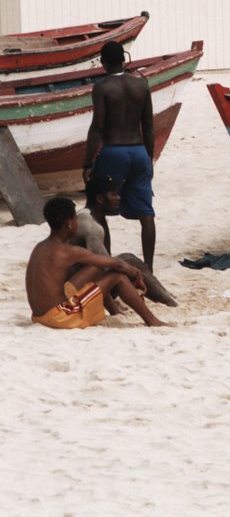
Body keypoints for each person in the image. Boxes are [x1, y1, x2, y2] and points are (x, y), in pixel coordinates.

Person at [26, 196, 167, 328]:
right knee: (118, 276)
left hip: (39, 317)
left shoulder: (39, 247)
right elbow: (119, 265)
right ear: (69, 224)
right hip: (60, 317)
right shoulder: (67, 251)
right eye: (75, 218)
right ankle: (152, 321)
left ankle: (115, 312)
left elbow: (102, 264)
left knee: (97, 267)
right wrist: (134, 272)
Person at [83, 40, 157, 271]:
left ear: (103, 62)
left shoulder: (103, 88)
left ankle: (107, 263)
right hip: (138, 151)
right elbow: (149, 126)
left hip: (114, 151)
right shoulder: (142, 86)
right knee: (146, 212)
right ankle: (149, 267)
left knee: (98, 208)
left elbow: (97, 127)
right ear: (124, 60)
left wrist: (87, 162)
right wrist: (150, 158)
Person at [74, 174, 178, 308]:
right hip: (80, 288)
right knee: (128, 263)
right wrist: (131, 272)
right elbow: (104, 266)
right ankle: (168, 301)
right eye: (113, 195)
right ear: (100, 198)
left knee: (129, 258)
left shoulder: (88, 216)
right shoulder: (91, 225)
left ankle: (166, 296)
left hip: (82, 280)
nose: (119, 198)